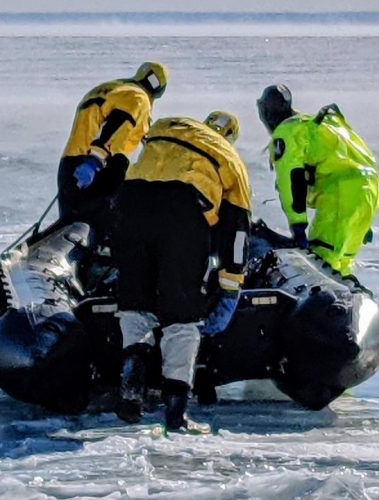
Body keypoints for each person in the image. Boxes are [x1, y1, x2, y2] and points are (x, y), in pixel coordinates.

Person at [112, 111, 251, 431]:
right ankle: (176, 414)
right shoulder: (229, 157)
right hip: (183, 211)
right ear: (229, 136)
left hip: (130, 203)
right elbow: (238, 230)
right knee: (182, 315)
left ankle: (132, 387)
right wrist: (231, 283)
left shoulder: (167, 127)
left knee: (135, 304)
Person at [257, 84, 379, 277]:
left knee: (322, 262)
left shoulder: (288, 131)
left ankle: (333, 304)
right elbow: (355, 163)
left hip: (341, 194)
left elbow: (291, 180)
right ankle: (356, 301)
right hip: (370, 194)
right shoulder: (321, 124)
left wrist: (298, 226)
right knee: (342, 262)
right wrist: (363, 216)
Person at [56, 62, 168, 247]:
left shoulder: (109, 89)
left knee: (71, 226)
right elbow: (118, 124)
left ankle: (47, 264)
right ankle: (101, 266)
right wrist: (95, 159)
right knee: (106, 226)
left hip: (70, 162)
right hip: (102, 165)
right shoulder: (138, 97)